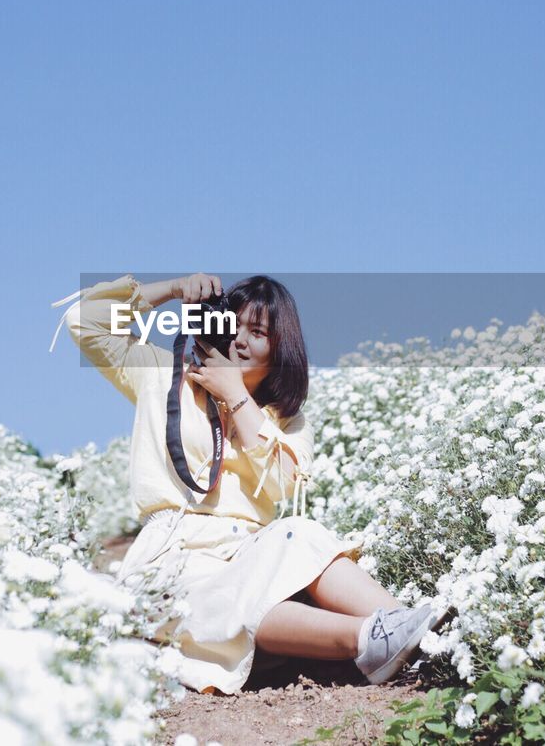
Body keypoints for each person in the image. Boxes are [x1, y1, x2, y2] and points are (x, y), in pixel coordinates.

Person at [51, 272, 449, 695]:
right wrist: (170, 290)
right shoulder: (163, 375)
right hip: (174, 555)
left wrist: (236, 396)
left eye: (256, 332)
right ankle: (368, 640)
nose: (239, 340)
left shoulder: (286, 419)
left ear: (279, 348)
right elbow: (85, 319)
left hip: (248, 550)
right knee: (216, 602)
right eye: (231, 325)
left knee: (302, 534)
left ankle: (421, 632)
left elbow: (283, 485)